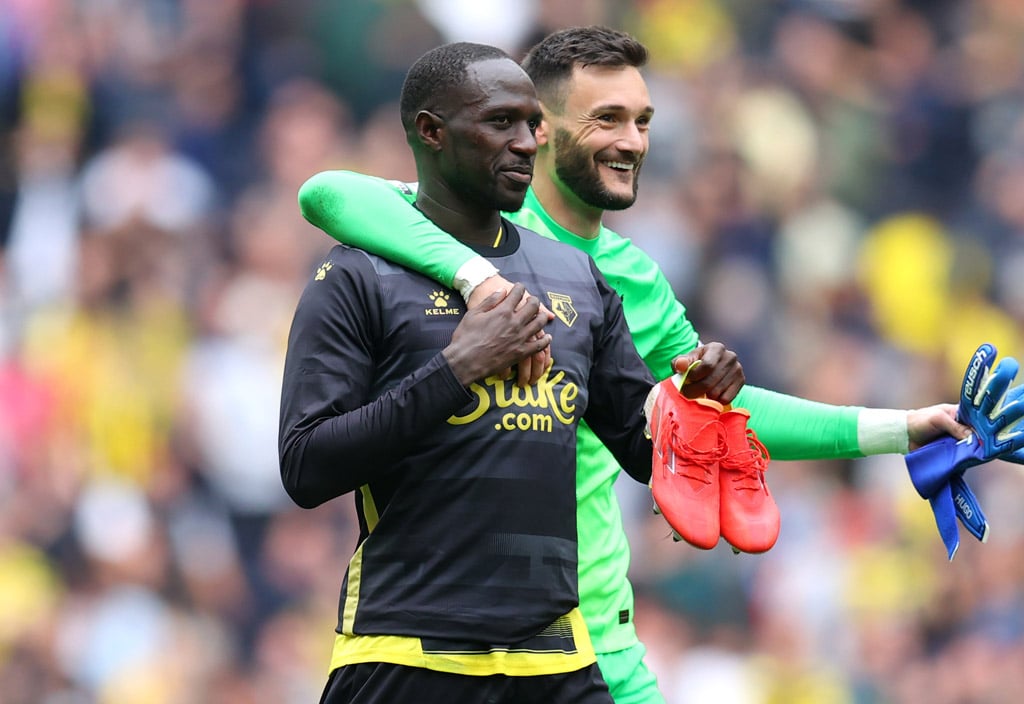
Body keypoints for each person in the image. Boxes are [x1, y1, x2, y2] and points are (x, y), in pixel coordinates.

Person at [297, 26, 970, 704]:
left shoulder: (623, 277)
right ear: (546, 132)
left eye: (643, 121)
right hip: (437, 644)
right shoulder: (449, 227)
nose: (633, 141)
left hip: (588, 647)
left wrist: (905, 426)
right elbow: (330, 192)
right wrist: (478, 282)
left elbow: (703, 419)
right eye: (608, 119)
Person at [279, 41, 674, 704]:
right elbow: (306, 465)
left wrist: (696, 400)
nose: (526, 143)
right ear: (431, 132)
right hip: (407, 656)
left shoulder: (574, 276)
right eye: (500, 123)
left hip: (558, 665)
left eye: (531, 124)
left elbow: (645, 449)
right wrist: (459, 367)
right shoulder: (358, 277)